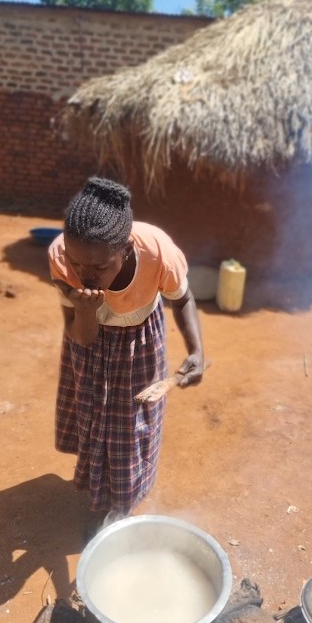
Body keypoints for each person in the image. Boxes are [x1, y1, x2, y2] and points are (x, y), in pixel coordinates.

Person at [48, 178, 206, 538]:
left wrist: (196, 350)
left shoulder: (157, 252)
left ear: (127, 247)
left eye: (100, 266)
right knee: (94, 417)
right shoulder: (61, 257)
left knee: (133, 423)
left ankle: (121, 505)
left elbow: (182, 299)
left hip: (141, 342)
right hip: (87, 341)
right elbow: (79, 334)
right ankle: (100, 497)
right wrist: (86, 310)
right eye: (76, 263)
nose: (85, 276)